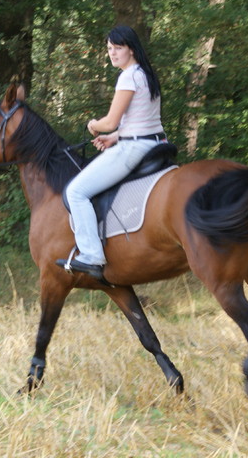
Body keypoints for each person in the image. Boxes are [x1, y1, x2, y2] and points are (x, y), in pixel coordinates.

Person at [57, 25, 167, 281]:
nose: (112, 53)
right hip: (156, 143)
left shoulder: (128, 76)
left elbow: (109, 121)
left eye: (118, 48)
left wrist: (94, 126)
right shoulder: (146, 74)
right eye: (109, 48)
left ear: (131, 48)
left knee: (76, 191)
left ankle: (92, 255)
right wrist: (115, 137)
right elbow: (143, 121)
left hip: (135, 148)